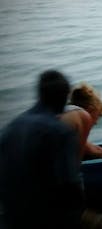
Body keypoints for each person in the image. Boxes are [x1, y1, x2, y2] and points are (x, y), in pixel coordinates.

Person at [0, 70, 85, 228]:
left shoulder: (11, 128)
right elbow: (70, 186)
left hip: (12, 218)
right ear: (63, 97)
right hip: (45, 219)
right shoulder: (58, 131)